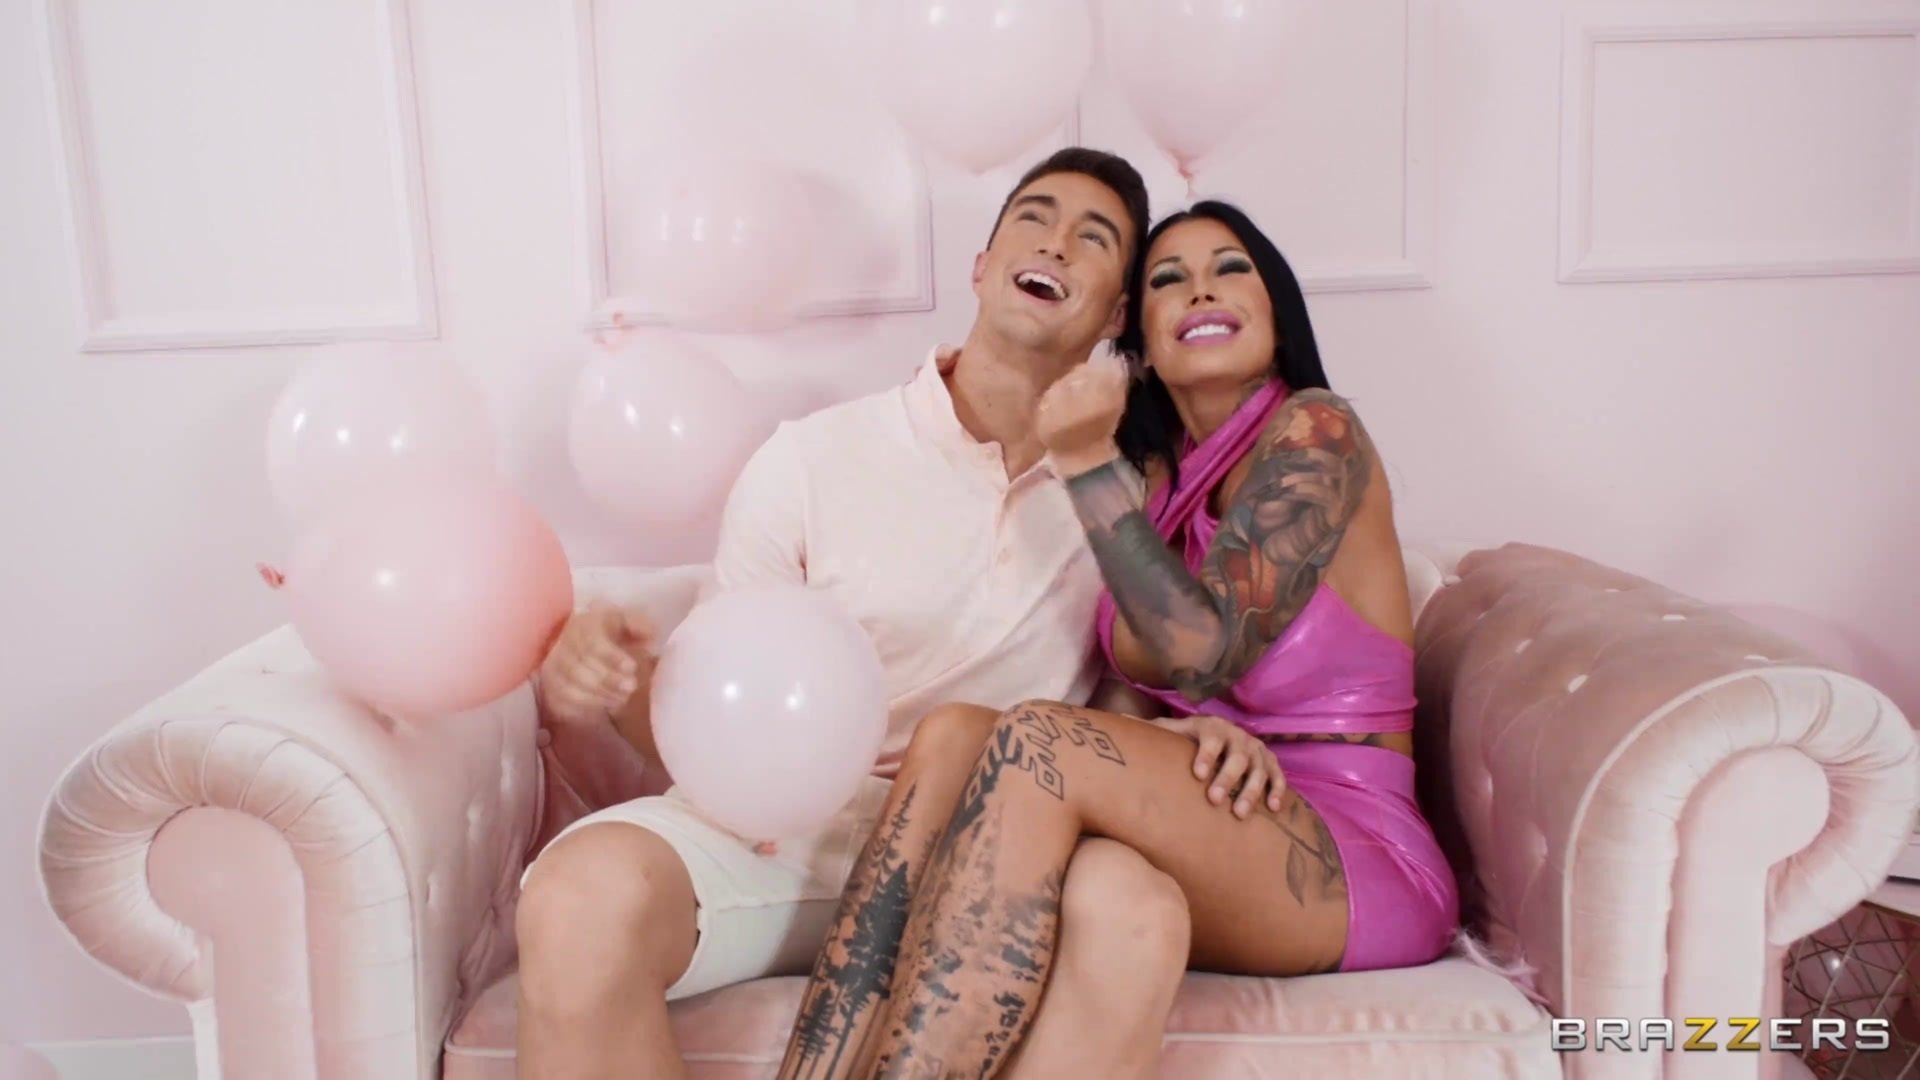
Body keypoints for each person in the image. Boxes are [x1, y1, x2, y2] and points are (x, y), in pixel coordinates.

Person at [514, 148, 1195, 1080]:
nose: (1056, 244)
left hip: (996, 852)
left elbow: (1161, 685)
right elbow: (710, 719)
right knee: (576, 899)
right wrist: (616, 677)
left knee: (1135, 908)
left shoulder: (1130, 497)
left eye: (1094, 238)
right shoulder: (813, 458)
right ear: (982, 266)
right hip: (787, 837)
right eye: (1034, 219)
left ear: (1117, 313)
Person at [781, 201, 1462, 1078]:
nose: (1201, 290)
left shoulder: (1317, 432)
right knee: (954, 734)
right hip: (1227, 801)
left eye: (1230, 268)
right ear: (1142, 341)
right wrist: (1188, 734)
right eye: (1169, 280)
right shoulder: (1161, 486)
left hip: (1351, 846)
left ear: (1276, 309)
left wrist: (1082, 459)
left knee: (1037, 740)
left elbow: (1202, 651)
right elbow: (1142, 700)